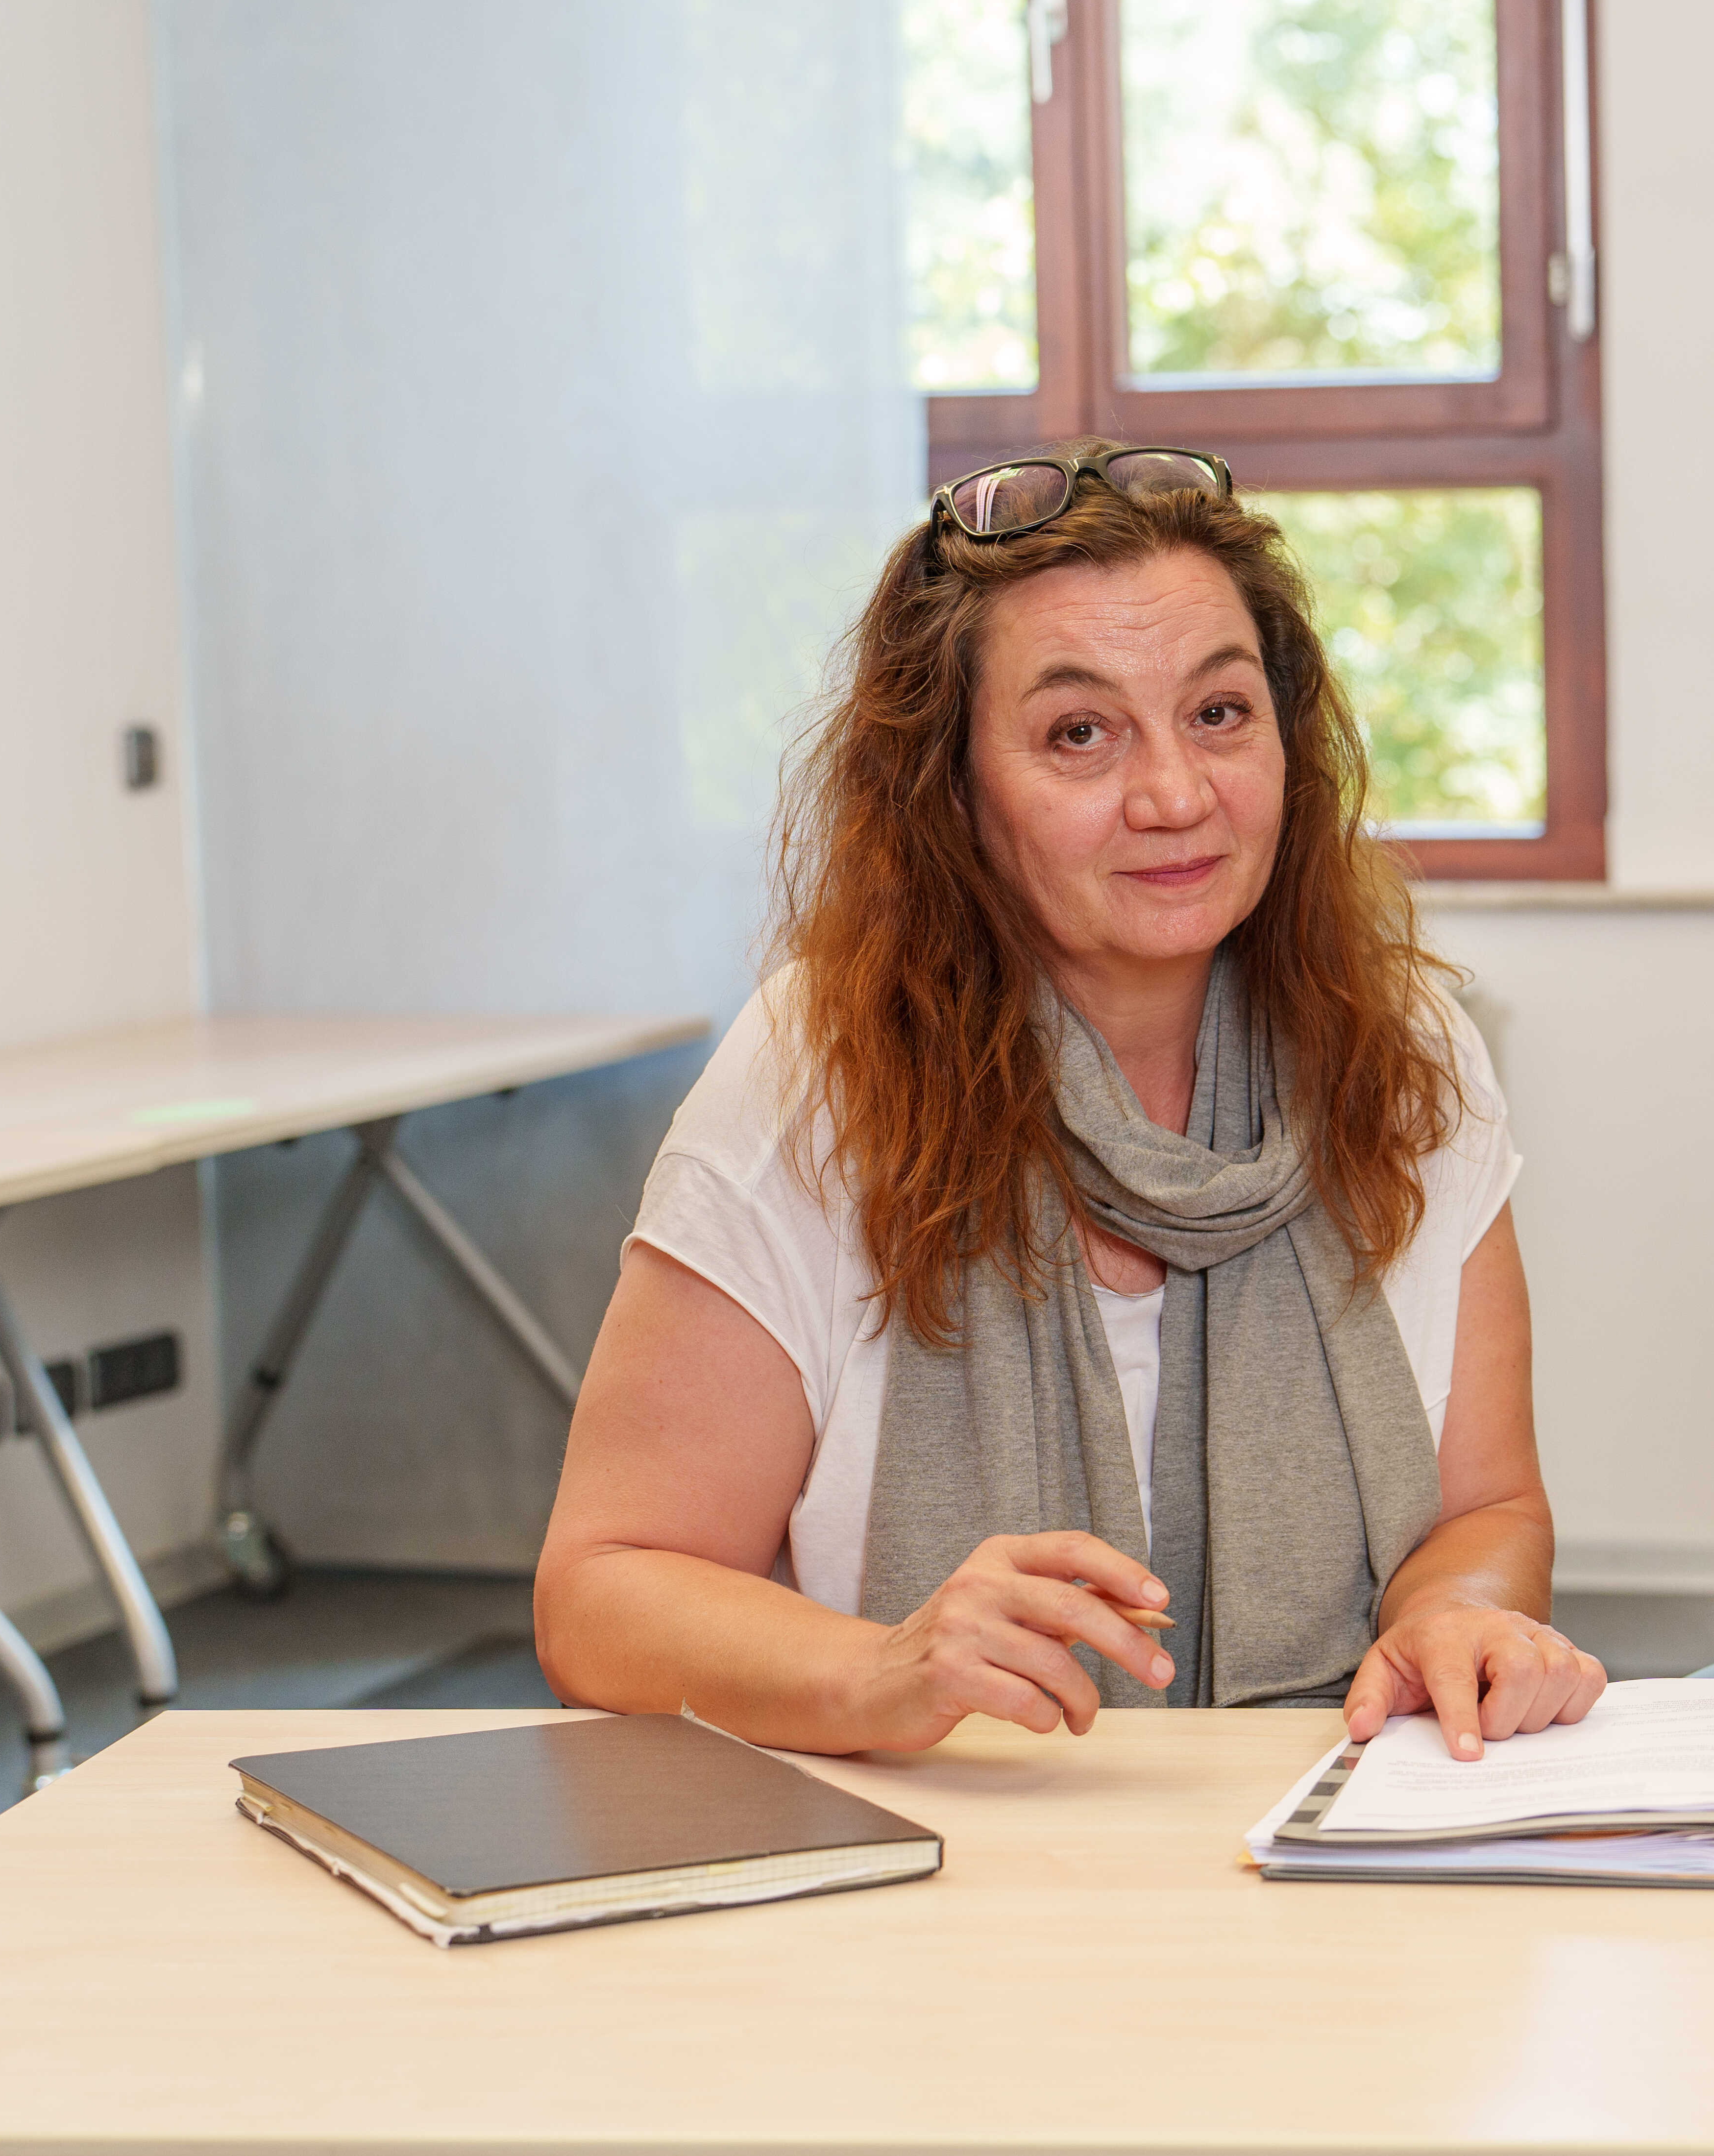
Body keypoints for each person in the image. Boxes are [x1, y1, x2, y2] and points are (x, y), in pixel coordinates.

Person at [536, 441, 1607, 1767]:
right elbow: (602, 1595)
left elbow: (1489, 1511)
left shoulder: (1402, 1049)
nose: (1175, 796)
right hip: (938, 1838)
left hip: (1328, 1831)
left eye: (1220, 713)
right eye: (1079, 735)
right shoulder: (818, 1075)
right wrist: (881, 1669)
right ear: (952, 789)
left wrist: (1456, 1616)